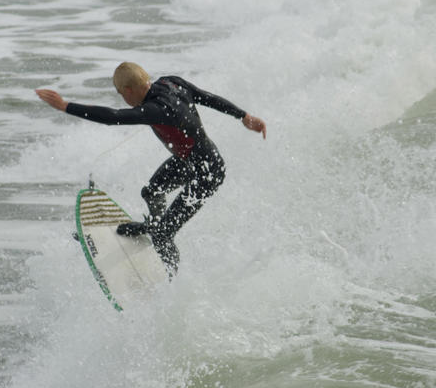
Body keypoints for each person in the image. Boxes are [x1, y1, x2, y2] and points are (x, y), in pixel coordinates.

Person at [36, 62, 266, 274]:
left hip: (208, 174)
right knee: (152, 191)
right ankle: (154, 227)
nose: (121, 98)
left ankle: (171, 275)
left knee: (163, 235)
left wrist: (65, 106)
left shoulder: (157, 109)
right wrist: (243, 116)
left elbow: (113, 116)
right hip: (192, 162)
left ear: (127, 91)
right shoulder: (172, 82)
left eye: (119, 93)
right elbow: (208, 98)